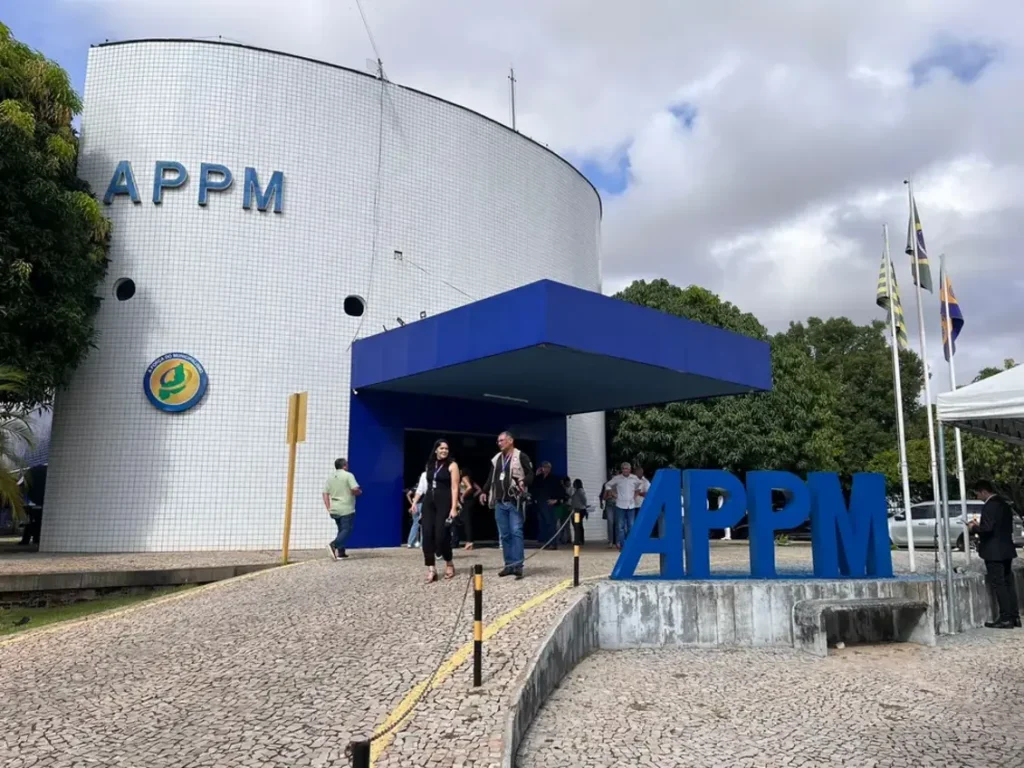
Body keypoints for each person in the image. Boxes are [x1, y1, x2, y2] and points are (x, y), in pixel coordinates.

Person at [480, 431, 535, 579]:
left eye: (502, 440)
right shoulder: (496, 459)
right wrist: (484, 491)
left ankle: (518, 566)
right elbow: (491, 477)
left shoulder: (520, 456)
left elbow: (530, 473)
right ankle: (508, 565)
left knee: (516, 532)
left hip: (514, 501)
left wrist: (524, 481)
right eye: (498, 441)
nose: (499, 443)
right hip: (499, 502)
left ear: (510, 441)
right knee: (504, 535)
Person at [968, 480, 1020, 629]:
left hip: (993, 551)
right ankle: (1014, 616)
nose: (978, 497)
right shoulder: (1004, 504)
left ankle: (1005, 618)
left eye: (977, 494)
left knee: (999, 584)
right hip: (1006, 548)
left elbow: (988, 528)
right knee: (1008, 583)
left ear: (984, 491)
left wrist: (974, 528)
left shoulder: (990, 506)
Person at [419, 439, 460, 583]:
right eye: (441, 448)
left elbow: (455, 487)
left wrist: (454, 507)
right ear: (436, 449)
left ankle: (449, 563)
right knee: (427, 534)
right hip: (429, 501)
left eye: (446, 449)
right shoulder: (430, 464)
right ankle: (431, 569)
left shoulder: (452, 465)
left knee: (441, 536)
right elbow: (425, 485)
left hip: (444, 501)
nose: (444, 451)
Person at [322, 458, 361, 559]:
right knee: (347, 529)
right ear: (344, 466)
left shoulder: (330, 477)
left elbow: (325, 493)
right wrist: (359, 492)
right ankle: (333, 545)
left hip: (334, 508)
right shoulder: (348, 475)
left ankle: (341, 552)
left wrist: (328, 508)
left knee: (341, 529)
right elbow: (355, 489)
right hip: (346, 508)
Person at [606, 462, 642, 550]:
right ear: (621, 469)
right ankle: (623, 545)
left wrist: (636, 494)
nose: (625, 470)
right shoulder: (617, 478)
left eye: (627, 468)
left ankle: (630, 544)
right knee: (620, 526)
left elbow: (640, 485)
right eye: (623, 468)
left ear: (630, 470)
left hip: (631, 505)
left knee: (631, 526)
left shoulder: (634, 478)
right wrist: (613, 494)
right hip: (620, 504)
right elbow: (607, 485)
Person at [532, 461, 562, 548]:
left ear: (550, 468)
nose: (545, 469)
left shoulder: (554, 479)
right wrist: (536, 475)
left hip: (549, 504)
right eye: (544, 467)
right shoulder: (538, 478)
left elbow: (561, 491)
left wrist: (556, 500)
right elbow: (533, 487)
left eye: (547, 467)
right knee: (542, 524)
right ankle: (546, 543)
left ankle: (553, 543)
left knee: (551, 523)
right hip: (540, 504)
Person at [459, 469, 481, 551]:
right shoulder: (469, 478)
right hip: (468, 500)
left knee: (467, 521)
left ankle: (469, 542)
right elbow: (479, 489)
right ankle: (469, 541)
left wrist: (463, 496)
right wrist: (473, 497)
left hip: (467, 501)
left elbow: (469, 487)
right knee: (466, 520)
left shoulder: (464, 477)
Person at [406, 471, 427, 548]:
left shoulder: (415, 486)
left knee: (415, 524)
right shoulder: (424, 486)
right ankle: (422, 544)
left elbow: (408, 494)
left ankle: (410, 542)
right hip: (422, 505)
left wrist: (412, 503)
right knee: (423, 524)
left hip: (415, 506)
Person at [570, 478, 588, 546]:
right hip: (576, 510)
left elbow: (584, 499)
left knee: (577, 525)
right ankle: (579, 539)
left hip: (579, 510)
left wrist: (585, 506)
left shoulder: (580, 491)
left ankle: (579, 540)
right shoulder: (576, 491)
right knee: (578, 525)